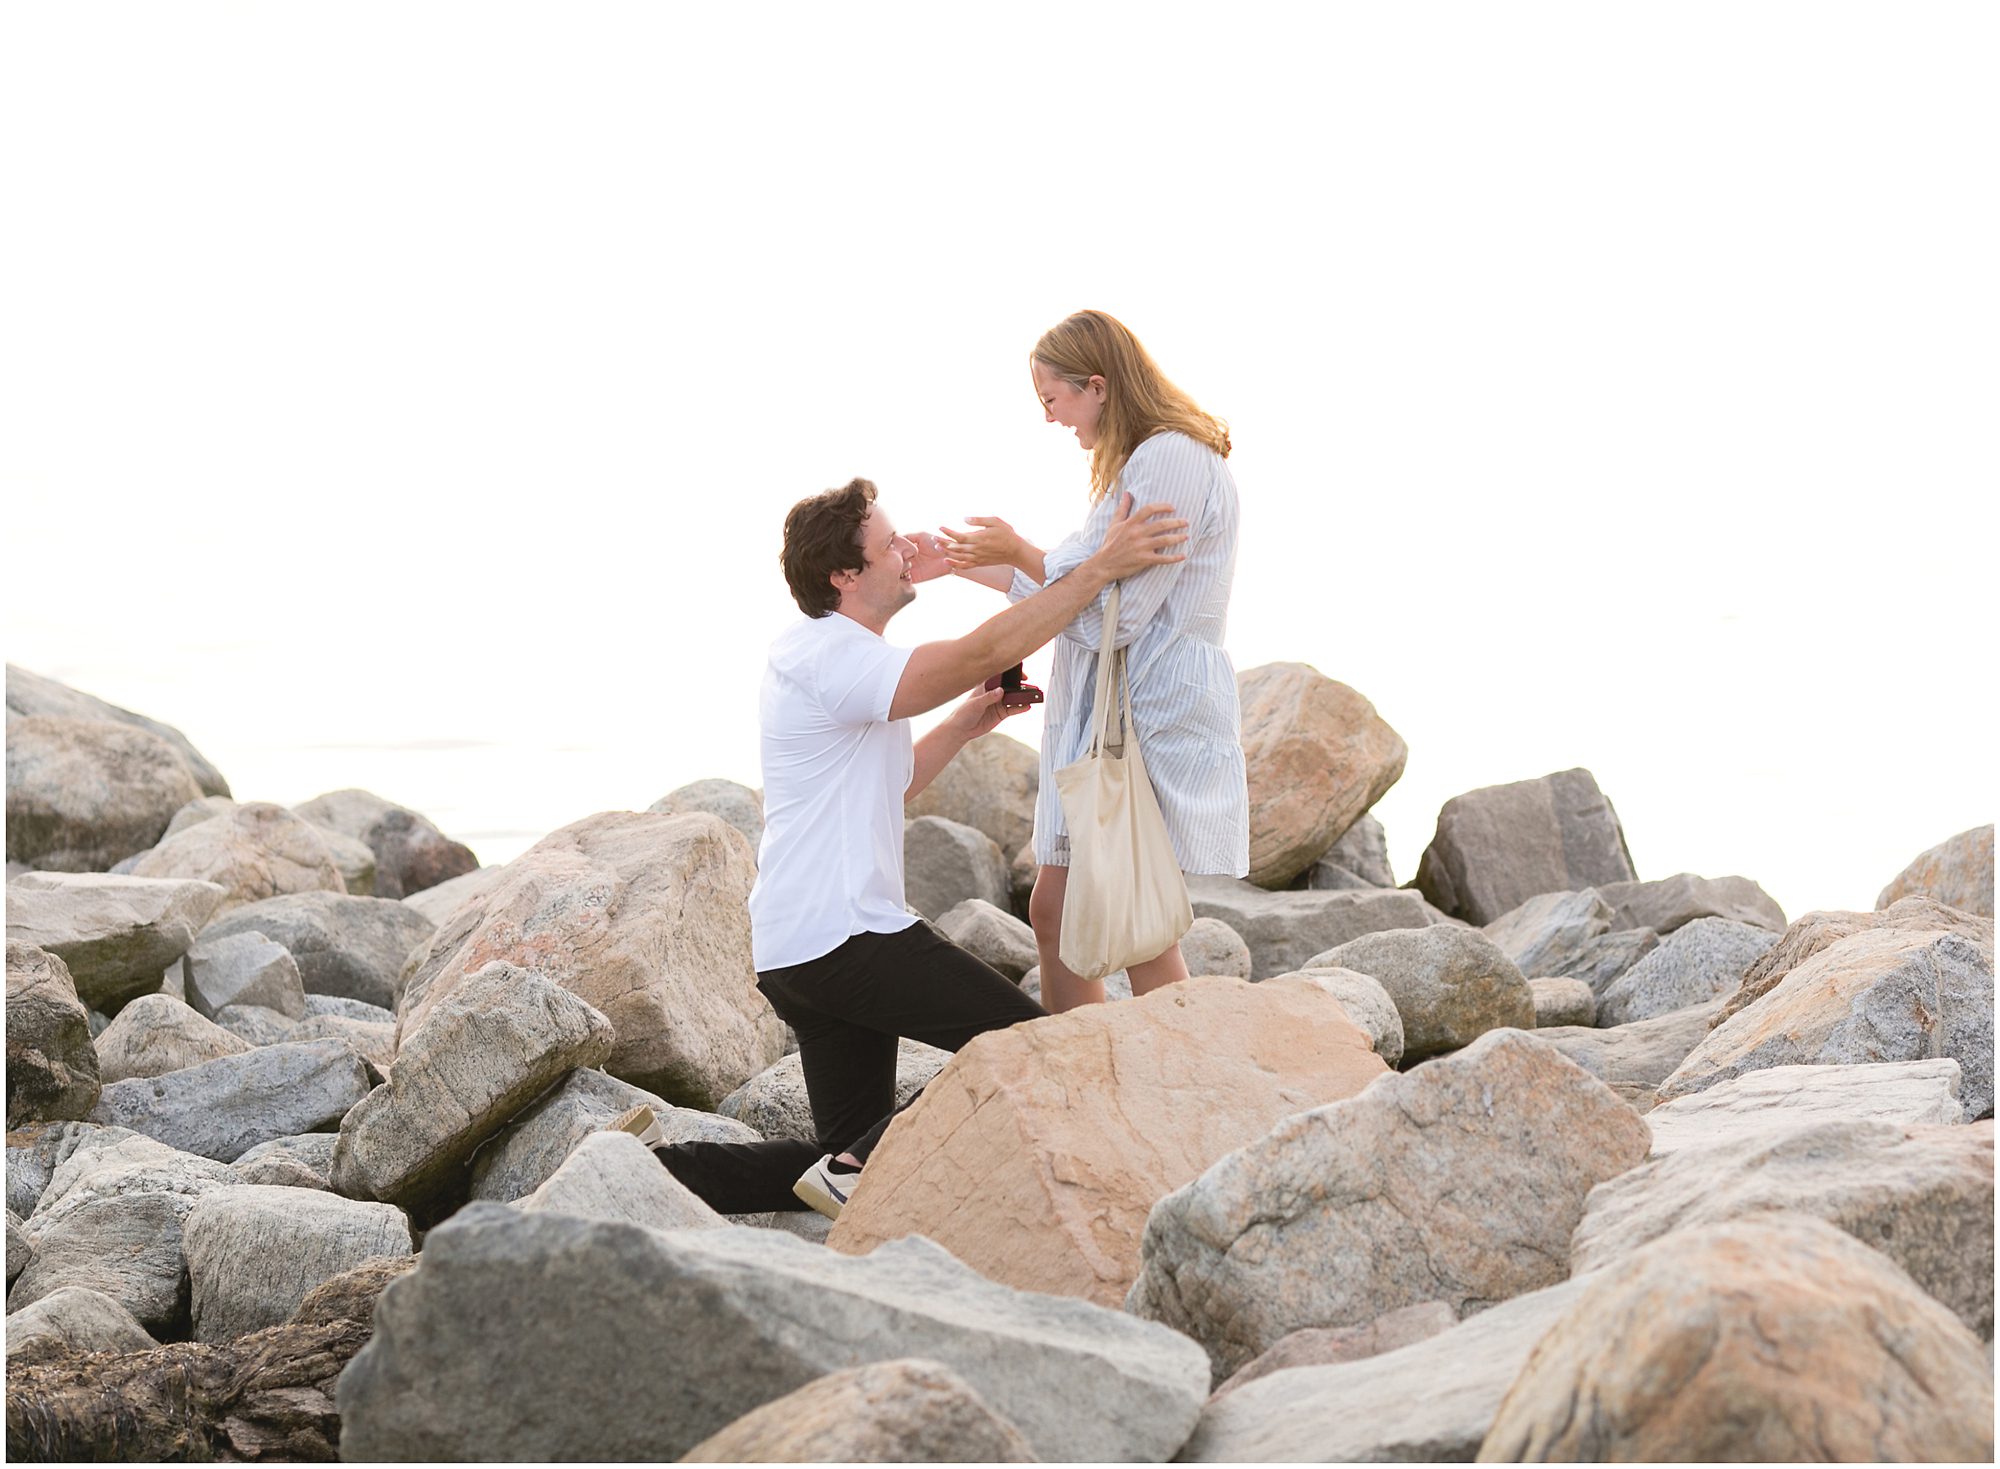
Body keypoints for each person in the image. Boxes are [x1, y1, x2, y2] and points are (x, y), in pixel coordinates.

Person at [615, 474, 1188, 1218]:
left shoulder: (832, 657)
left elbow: (893, 782)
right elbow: (982, 645)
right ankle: (843, 1167)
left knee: (842, 1161)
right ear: (845, 576)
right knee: (1027, 1046)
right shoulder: (833, 657)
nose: (903, 551)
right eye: (888, 545)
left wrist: (964, 722)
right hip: (845, 938)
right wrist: (1098, 567)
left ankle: (648, 1173)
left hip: (803, 947)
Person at [937, 309, 1249, 1012]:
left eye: (1053, 399)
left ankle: (1167, 1076)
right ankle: (1086, 1072)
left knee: (1127, 911)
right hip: (1111, 704)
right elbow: (1078, 581)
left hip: (1140, 704)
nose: (1051, 419)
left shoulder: (1170, 455)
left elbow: (1121, 611)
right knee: (1056, 909)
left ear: (1098, 386)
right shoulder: (1144, 462)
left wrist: (1017, 552)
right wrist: (959, 561)